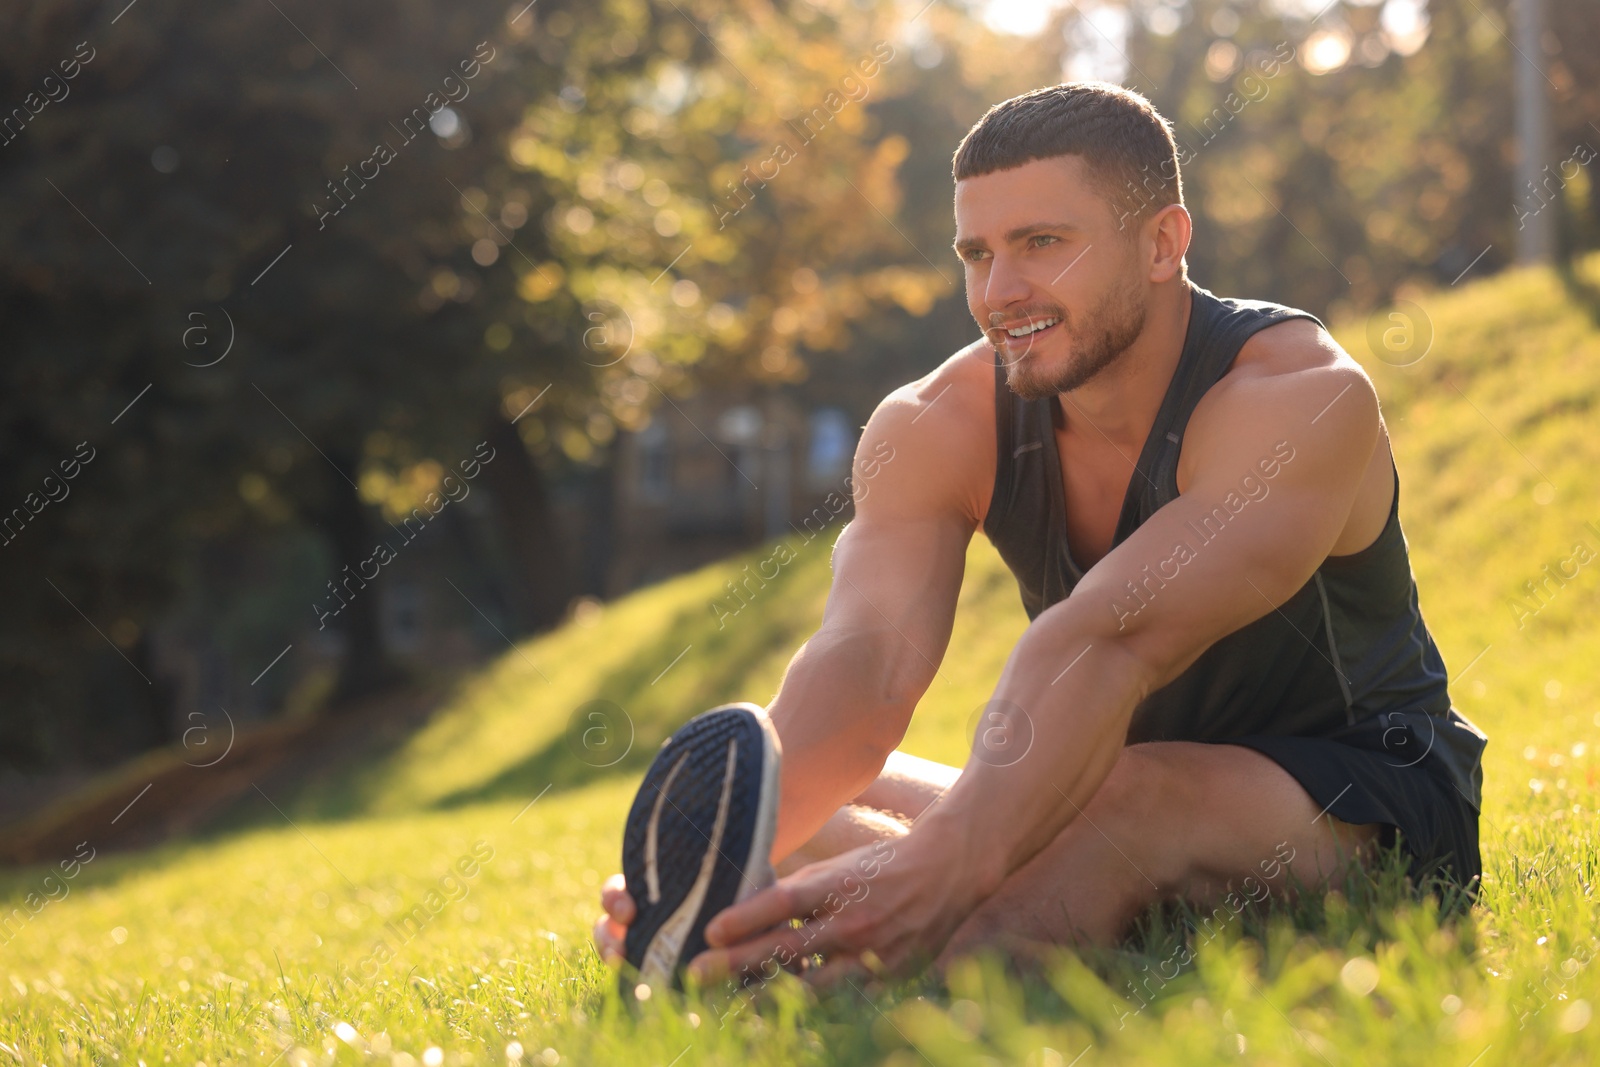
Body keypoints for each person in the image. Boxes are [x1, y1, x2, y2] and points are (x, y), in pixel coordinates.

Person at [593, 81, 1487, 989]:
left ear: (1161, 243)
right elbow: (867, 662)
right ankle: (751, 925)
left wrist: (950, 859)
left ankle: (878, 966)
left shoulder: (1296, 399)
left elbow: (1105, 638)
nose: (1000, 291)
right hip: (1103, 781)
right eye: (976, 253)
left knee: (1124, 801)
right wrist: (725, 852)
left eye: (1042, 244)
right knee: (806, 787)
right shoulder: (934, 420)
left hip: (1363, 803)